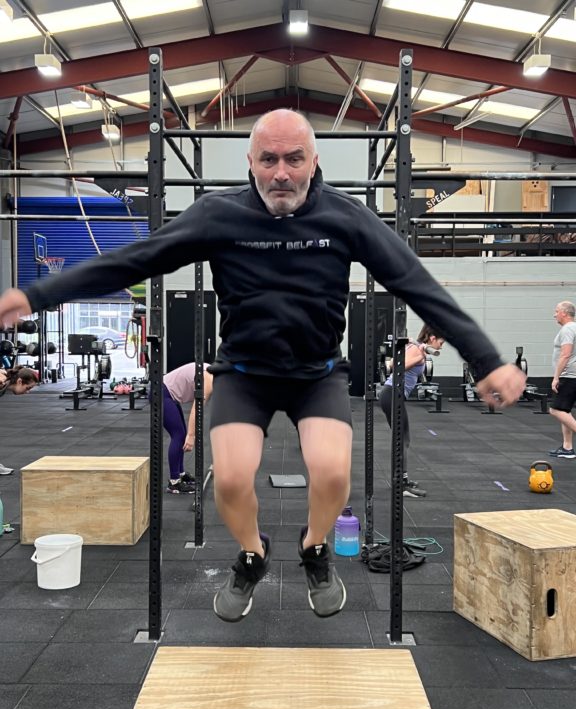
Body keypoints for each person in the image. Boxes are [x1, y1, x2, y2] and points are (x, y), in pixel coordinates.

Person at [0, 109, 526, 623]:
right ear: (250, 162)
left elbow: (417, 284)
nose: (281, 173)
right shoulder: (218, 215)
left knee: (333, 472)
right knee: (229, 480)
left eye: (294, 159)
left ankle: (314, 548)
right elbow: (131, 260)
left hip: (318, 374)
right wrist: (35, 295)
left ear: (314, 161)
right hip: (243, 374)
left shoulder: (346, 217)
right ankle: (253, 554)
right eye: (268, 160)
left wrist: (485, 360)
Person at [379, 324, 444, 498]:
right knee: (402, 440)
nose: (441, 346)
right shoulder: (417, 350)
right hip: (392, 394)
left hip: (393, 395)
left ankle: (401, 480)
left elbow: (393, 362)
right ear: (432, 338)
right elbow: (394, 365)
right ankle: (401, 485)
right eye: (441, 342)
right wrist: (419, 357)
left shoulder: (414, 346)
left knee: (402, 439)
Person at [160, 362, 214, 493]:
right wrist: (191, 435)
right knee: (179, 436)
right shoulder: (209, 379)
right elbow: (197, 408)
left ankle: (181, 474)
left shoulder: (213, 373)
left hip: (169, 394)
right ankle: (174, 483)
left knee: (181, 435)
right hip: (162, 393)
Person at [548, 300, 576, 459]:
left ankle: (568, 447)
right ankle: (567, 447)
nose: (555, 315)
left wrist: (556, 377)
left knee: (556, 410)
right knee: (565, 410)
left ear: (564, 313)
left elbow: (565, 354)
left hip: (569, 375)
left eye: (557, 311)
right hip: (572, 374)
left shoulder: (568, 329)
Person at [0, 365, 39, 474]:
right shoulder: (2, 382)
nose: (27, 392)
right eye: (28, 388)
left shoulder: (4, 383)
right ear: (20, 381)